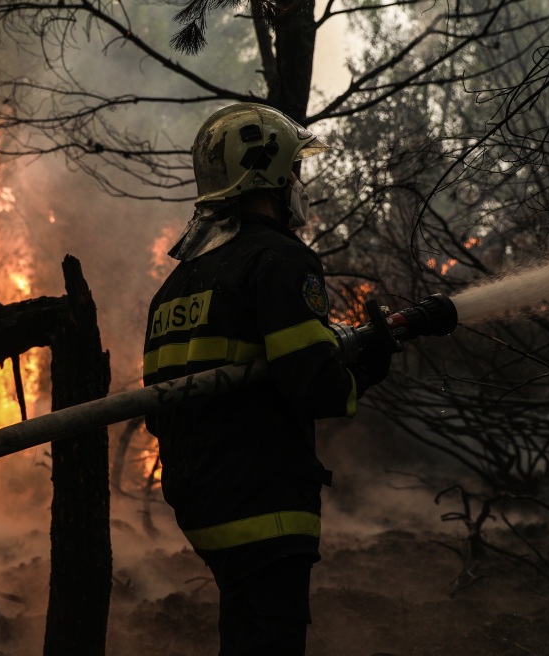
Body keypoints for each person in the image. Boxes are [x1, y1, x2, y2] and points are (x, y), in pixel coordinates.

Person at [141, 103, 394, 655]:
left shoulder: (177, 285)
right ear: (271, 175)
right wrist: (367, 368)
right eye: (294, 170)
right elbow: (313, 384)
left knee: (246, 633)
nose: (299, 183)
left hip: (202, 501)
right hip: (262, 500)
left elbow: (161, 408)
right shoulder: (279, 259)